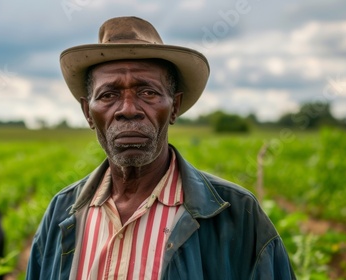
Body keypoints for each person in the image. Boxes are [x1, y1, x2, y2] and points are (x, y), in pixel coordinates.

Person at [26, 16, 295, 279]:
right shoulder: (62, 212)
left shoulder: (237, 216)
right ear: (88, 112)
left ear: (174, 106)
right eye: (109, 95)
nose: (128, 110)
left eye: (148, 92)